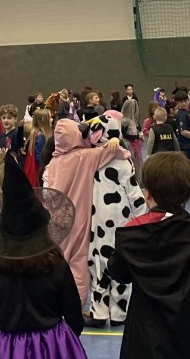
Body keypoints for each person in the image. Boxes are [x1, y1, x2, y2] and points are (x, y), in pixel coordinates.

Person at [108, 152, 190, 358]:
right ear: (188, 191)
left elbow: (118, 272)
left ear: (147, 194)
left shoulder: (131, 234)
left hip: (146, 339)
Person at [0, 158, 86, 358]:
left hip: (9, 348)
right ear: (43, 229)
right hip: (53, 346)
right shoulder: (56, 266)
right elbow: (74, 317)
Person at [43, 119, 128, 308]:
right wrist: (112, 143)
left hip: (56, 221)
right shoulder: (83, 158)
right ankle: (75, 306)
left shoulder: (54, 162)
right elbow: (120, 153)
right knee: (77, 262)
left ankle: (52, 304)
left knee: (56, 262)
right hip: (78, 219)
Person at [81, 112, 146, 328]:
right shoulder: (123, 163)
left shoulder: (91, 160)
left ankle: (99, 311)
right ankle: (119, 313)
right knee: (119, 266)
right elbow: (136, 196)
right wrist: (143, 220)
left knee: (98, 265)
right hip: (120, 225)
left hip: (98, 224)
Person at [172, 91, 190, 166]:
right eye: (181, 102)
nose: (184, 103)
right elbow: (183, 131)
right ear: (177, 103)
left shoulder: (188, 112)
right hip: (186, 146)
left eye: (186, 101)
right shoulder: (182, 114)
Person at [23, 109, 52, 187]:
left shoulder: (34, 132)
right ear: (43, 120)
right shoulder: (40, 136)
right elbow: (39, 154)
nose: (52, 119)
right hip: (38, 169)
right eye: (50, 117)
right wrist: (44, 167)